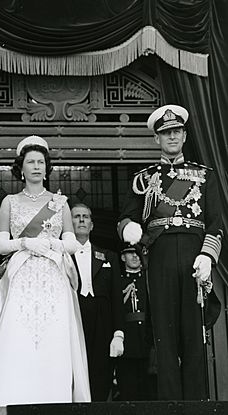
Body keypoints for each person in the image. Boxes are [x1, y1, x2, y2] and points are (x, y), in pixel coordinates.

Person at [0, 135, 90, 408]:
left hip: (52, 277)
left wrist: (49, 243)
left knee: (53, 338)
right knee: (15, 337)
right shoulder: (10, 202)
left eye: (40, 162)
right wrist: (24, 242)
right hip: (20, 275)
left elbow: (71, 243)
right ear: (20, 168)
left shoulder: (59, 203)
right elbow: (0, 244)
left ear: (47, 168)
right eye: (30, 162)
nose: (36, 166)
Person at [117, 104, 223, 400]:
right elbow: (125, 218)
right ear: (156, 139)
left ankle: (197, 404)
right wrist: (130, 230)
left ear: (185, 135)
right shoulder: (143, 179)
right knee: (164, 338)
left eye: (176, 131)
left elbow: (216, 224)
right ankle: (171, 405)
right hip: (160, 256)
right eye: (165, 133)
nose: (172, 137)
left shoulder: (205, 176)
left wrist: (207, 255)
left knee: (194, 337)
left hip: (193, 256)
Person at [71, 203, 124, 401]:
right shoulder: (60, 257)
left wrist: (118, 333)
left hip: (102, 320)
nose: (82, 220)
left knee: (101, 375)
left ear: (92, 225)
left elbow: (117, 298)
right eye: (76, 216)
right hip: (74, 318)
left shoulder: (109, 256)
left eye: (86, 216)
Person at [114, 243, 156, 401]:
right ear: (123, 257)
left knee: (148, 392)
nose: (135, 256)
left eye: (137, 253)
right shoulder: (117, 280)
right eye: (130, 253)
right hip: (127, 343)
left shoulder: (149, 280)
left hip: (146, 340)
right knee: (128, 391)